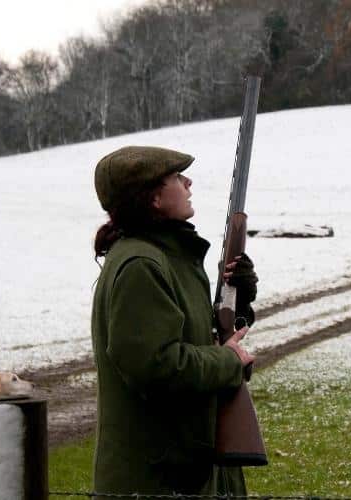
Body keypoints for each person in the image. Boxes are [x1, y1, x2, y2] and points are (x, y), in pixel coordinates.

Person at [90, 146, 257, 497]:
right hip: (157, 482)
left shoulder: (167, 257)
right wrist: (227, 361)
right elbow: (157, 365)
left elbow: (199, 337)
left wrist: (237, 296)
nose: (188, 182)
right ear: (153, 197)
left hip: (182, 473)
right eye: (177, 178)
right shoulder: (141, 265)